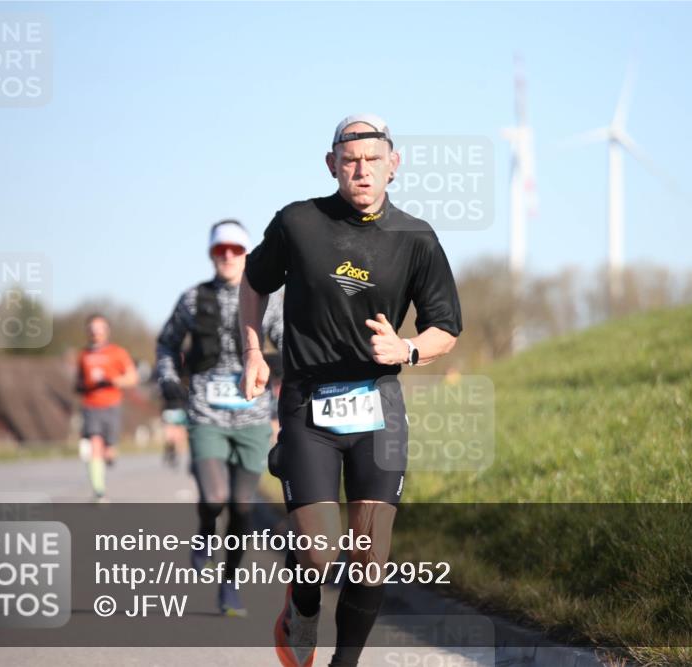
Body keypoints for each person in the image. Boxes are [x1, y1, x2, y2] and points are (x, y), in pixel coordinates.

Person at [239, 114, 462, 667]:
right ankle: (304, 603)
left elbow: (446, 327)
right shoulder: (298, 223)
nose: (362, 169)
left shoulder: (416, 238)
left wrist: (407, 350)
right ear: (332, 164)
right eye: (350, 159)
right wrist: (251, 353)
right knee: (316, 553)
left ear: (394, 164)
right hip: (308, 402)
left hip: (377, 403)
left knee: (369, 556)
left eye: (373, 158)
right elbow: (253, 281)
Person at [156, 219, 283, 616]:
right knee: (214, 498)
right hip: (206, 411)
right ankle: (206, 532)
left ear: (246, 253)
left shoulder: (270, 299)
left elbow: (289, 343)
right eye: (219, 250)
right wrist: (168, 378)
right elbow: (166, 343)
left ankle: (229, 584)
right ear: (212, 255)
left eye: (235, 249)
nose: (227, 256)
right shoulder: (193, 299)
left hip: (253, 414)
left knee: (243, 507)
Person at [76, 314, 139, 502]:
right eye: (92, 329)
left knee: (108, 449)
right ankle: (99, 491)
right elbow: (79, 381)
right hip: (90, 406)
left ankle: (110, 453)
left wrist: (113, 380)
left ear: (106, 331)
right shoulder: (83, 355)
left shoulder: (117, 352)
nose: (95, 333)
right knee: (94, 443)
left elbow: (133, 378)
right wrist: (81, 386)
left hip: (112, 405)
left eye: (99, 328)